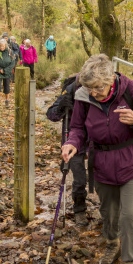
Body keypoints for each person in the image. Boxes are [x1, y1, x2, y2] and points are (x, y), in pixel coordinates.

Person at [62, 54, 133, 264]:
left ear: (110, 80)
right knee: (109, 213)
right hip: (102, 163)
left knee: (130, 215)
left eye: (98, 88)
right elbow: (77, 128)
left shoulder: (131, 89)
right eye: (89, 88)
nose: (94, 93)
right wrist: (72, 143)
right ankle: (112, 244)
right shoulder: (83, 96)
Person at [46, 74, 89, 227]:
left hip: (97, 137)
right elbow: (51, 115)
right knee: (79, 178)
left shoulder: (101, 87)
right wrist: (62, 107)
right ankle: (79, 210)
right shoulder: (71, 89)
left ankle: (108, 212)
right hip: (73, 138)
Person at [0, 38, 15, 108]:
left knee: (6, 87)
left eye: (3, 46)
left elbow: (12, 63)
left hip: (7, 73)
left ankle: (7, 101)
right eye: (0, 46)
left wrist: (5, 70)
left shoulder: (10, 52)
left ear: (6, 46)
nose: (1, 47)